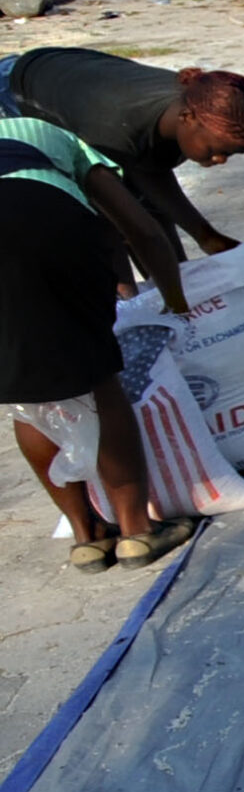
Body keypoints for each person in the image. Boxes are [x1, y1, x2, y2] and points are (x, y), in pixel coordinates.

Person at [2, 114, 195, 571]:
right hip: (42, 215)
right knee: (98, 376)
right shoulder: (47, 131)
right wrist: (175, 299)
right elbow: (140, 229)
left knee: (24, 392)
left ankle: (86, 537)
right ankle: (136, 533)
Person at [0, 48, 244, 255]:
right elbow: (133, 225)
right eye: (216, 151)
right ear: (187, 118)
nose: (220, 160)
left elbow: (152, 172)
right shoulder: (114, 128)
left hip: (68, 70)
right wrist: (168, 295)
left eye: (230, 155)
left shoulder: (192, 102)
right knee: (107, 218)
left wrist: (205, 237)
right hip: (18, 89)